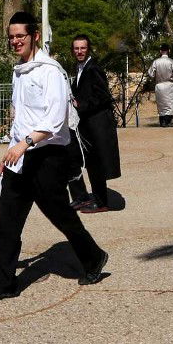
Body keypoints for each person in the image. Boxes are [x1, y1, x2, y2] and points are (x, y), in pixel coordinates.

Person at [0, 11, 108, 303]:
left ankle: (93, 257)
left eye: (20, 36)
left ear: (35, 36)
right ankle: (5, 282)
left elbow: (54, 120)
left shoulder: (51, 71)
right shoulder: (19, 71)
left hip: (48, 156)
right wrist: (10, 149)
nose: (15, 41)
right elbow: (21, 118)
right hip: (21, 156)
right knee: (7, 222)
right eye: (11, 37)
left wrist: (24, 144)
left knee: (60, 214)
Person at [67, 35, 122, 213]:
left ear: (88, 49)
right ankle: (81, 197)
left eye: (82, 48)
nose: (79, 51)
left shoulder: (94, 68)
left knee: (96, 163)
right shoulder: (80, 68)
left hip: (97, 125)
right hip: (84, 124)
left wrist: (81, 105)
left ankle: (101, 202)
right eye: (76, 48)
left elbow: (103, 96)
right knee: (74, 158)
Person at [147, 45, 173, 127]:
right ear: (169, 51)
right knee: (170, 106)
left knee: (161, 106)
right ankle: (166, 122)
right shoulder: (172, 62)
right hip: (170, 86)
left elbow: (150, 74)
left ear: (160, 51)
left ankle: (162, 122)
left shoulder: (156, 62)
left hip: (159, 86)